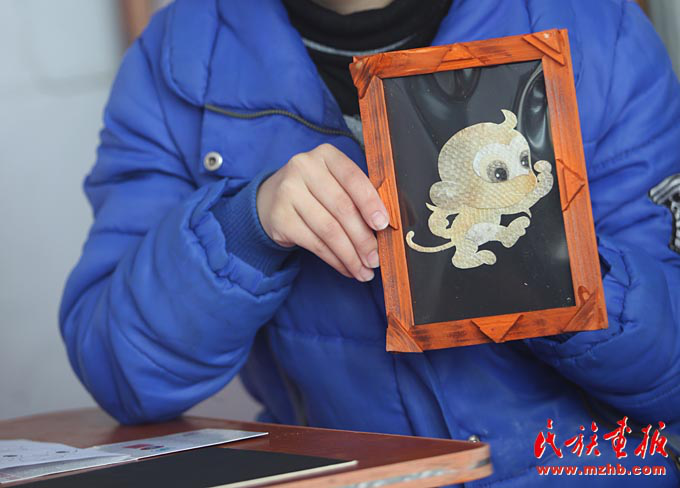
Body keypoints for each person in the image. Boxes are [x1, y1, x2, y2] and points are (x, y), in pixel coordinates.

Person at [60, 0, 680, 486]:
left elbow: (671, 370)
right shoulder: (180, 55)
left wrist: (553, 266)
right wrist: (246, 228)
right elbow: (121, 372)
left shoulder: (598, 29)